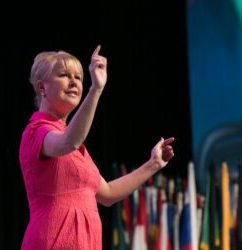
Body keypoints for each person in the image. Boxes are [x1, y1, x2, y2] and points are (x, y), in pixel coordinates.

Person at [19, 45, 175, 249]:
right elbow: (68, 141)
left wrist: (153, 164)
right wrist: (96, 89)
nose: (74, 81)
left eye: (79, 77)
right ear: (42, 88)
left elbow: (108, 194)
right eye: (64, 75)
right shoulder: (37, 131)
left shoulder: (78, 149)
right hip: (52, 240)